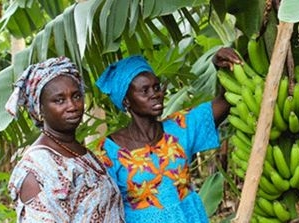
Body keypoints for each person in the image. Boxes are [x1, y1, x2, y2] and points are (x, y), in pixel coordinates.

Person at [95, 47, 240, 223]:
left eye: (156, 87)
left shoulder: (180, 127)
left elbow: (226, 100)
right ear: (126, 101)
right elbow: (101, 207)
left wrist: (219, 67)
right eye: (145, 90)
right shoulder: (108, 151)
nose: (155, 94)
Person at [5, 56, 125, 222]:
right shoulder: (37, 168)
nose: (72, 106)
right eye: (59, 100)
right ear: (40, 109)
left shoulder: (83, 153)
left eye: (76, 96)